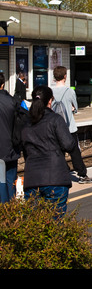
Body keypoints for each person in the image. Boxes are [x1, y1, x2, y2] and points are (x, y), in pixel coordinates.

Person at [21, 85, 76, 215]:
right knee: (55, 224)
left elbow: (24, 150)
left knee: (34, 224)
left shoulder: (26, 123)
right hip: (55, 177)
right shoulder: (55, 119)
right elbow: (69, 144)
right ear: (50, 100)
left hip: (32, 178)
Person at [52, 66, 92, 184]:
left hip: (55, 128)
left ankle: (63, 171)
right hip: (69, 128)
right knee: (75, 152)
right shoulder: (69, 91)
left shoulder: (50, 91)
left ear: (54, 78)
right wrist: (72, 109)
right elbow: (75, 109)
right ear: (65, 76)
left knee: (58, 153)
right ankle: (82, 175)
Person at [0, 72, 20, 203]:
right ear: (3, 85)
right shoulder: (12, 101)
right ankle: (11, 213)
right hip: (11, 148)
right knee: (10, 181)